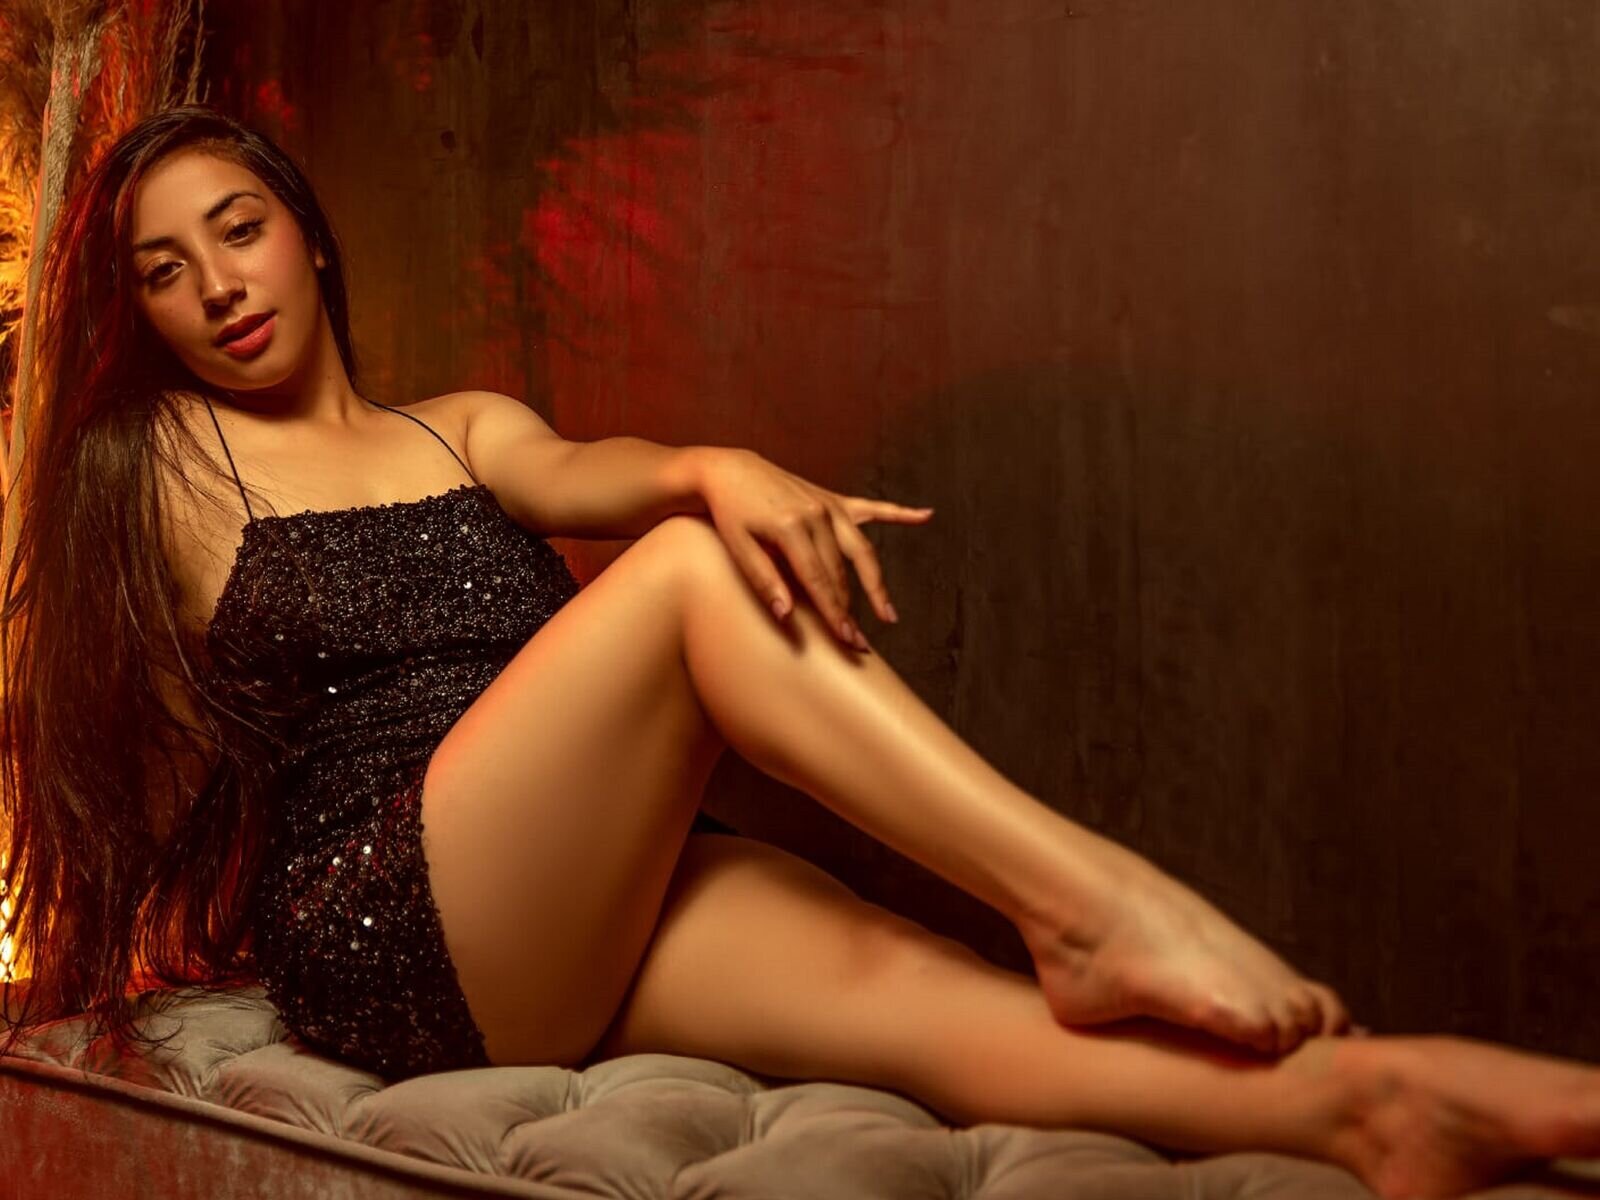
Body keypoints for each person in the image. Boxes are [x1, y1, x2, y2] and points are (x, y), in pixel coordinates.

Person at [0, 103, 1593, 1199]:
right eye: (164, 272)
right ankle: (1095, 902)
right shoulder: (155, 466)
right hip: (384, 921)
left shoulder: (463, 426)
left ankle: (1383, 1105)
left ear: (307, 237)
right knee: (698, 573)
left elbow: (597, 470)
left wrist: (713, 463)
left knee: (924, 994)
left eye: (240, 230)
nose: (219, 286)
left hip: (572, 894)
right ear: (141, 315)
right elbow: (99, 699)